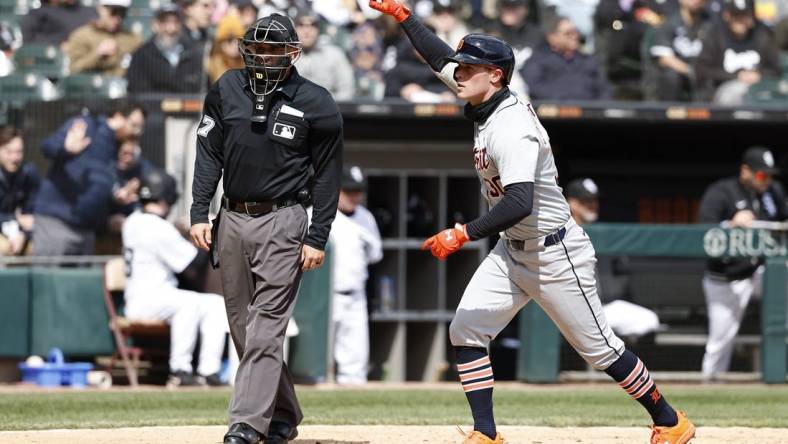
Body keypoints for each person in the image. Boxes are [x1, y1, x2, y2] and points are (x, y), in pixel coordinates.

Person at [368, 1, 695, 443]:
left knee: (602, 351)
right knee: (465, 330)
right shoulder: (484, 94)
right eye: (460, 68)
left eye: (468, 68)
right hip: (511, 251)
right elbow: (438, 56)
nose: (458, 73)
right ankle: (486, 433)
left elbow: (520, 201)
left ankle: (670, 421)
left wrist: (462, 232)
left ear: (495, 75)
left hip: (555, 252)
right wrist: (405, 18)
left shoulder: (512, 127)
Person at [189, 13, 342, 444]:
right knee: (241, 326)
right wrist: (200, 211)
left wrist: (317, 236)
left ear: (293, 52)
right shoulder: (225, 89)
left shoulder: (316, 101)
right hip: (232, 217)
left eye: (274, 48)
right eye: (257, 47)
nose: (264, 55)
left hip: (284, 218)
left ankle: (246, 425)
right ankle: (283, 413)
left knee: (265, 326)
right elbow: (208, 154)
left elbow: (329, 176)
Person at [123, 169, 230, 387]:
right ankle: (179, 370)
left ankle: (209, 372)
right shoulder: (157, 227)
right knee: (188, 303)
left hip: (149, 296)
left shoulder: (133, 220)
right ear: (166, 197)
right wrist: (208, 230)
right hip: (147, 300)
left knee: (215, 304)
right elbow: (193, 264)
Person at [698, 146, 787, 382]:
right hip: (727, 278)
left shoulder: (773, 193)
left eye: (770, 175)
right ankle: (709, 385)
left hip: (758, 271)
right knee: (720, 341)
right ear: (745, 171)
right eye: (761, 175)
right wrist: (730, 224)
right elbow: (702, 231)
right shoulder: (722, 191)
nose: (766, 180)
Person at [33, 103, 145, 256]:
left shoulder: (116, 148)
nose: (136, 132)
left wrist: (115, 196)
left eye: (140, 128)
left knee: (81, 280)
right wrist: (66, 149)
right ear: (118, 116)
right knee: (48, 279)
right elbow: (47, 146)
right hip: (57, 224)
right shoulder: (85, 126)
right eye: (134, 125)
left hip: (87, 231)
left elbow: (101, 182)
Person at [565, 178, 660, 342]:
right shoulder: (561, 232)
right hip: (570, 309)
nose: (592, 204)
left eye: (594, 200)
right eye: (586, 200)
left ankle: (616, 359)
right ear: (572, 203)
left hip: (603, 308)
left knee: (649, 320)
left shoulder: (604, 236)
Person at [330, 166, 382, 384]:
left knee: (355, 366)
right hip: (325, 296)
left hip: (356, 295)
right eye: (348, 191)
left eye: (357, 191)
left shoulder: (366, 218)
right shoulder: (320, 214)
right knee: (316, 362)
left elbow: (375, 255)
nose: (354, 196)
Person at [694, 0, 781, 104]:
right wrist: (737, 76)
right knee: (735, 94)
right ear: (727, 15)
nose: (740, 20)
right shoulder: (715, 34)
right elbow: (702, 69)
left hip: (758, 88)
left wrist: (759, 75)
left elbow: (775, 69)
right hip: (723, 90)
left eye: (744, 15)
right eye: (735, 15)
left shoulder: (763, 35)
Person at [520, 15, 611, 101]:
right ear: (552, 37)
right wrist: (566, 100)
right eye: (568, 33)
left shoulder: (588, 60)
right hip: (553, 115)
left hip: (590, 113)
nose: (574, 36)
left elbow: (604, 89)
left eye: (576, 32)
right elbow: (534, 87)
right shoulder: (538, 61)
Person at [126, 4, 205, 94]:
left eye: (176, 22)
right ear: (155, 25)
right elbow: (136, 92)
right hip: (151, 107)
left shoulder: (192, 54)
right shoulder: (141, 56)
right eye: (165, 22)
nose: (171, 28)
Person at [644, 0, 711, 101]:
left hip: (702, 72)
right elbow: (664, 59)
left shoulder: (711, 22)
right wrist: (690, 70)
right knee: (671, 76)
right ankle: (669, 114)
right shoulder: (669, 21)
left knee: (708, 78)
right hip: (676, 73)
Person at [65, 0, 142, 76]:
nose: (118, 18)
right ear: (101, 9)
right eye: (114, 12)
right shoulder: (82, 36)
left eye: (122, 13)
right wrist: (98, 53)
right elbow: (73, 70)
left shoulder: (133, 39)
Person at [293, 11, 355, 101]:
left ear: (319, 29)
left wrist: (327, 105)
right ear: (294, 29)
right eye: (301, 25)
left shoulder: (334, 54)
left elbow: (347, 90)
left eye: (312, 25)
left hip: (326, 109)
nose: (307, 30)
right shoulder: (286, 55)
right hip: (292, 109)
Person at [0, 126, 40, 256]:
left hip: (21, 233)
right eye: (9, 152)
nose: (14, 158)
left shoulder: (29, 173)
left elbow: (33, 213)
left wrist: (24, 235)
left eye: (19, 152)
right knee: (4, 248)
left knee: (38, 248)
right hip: (5, 231)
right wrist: (15, 219)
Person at [21, 0, 96, 48]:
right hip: (56, 63)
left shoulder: (91, 11)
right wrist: (58, 46)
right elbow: (30, 42)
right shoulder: (37, 14)